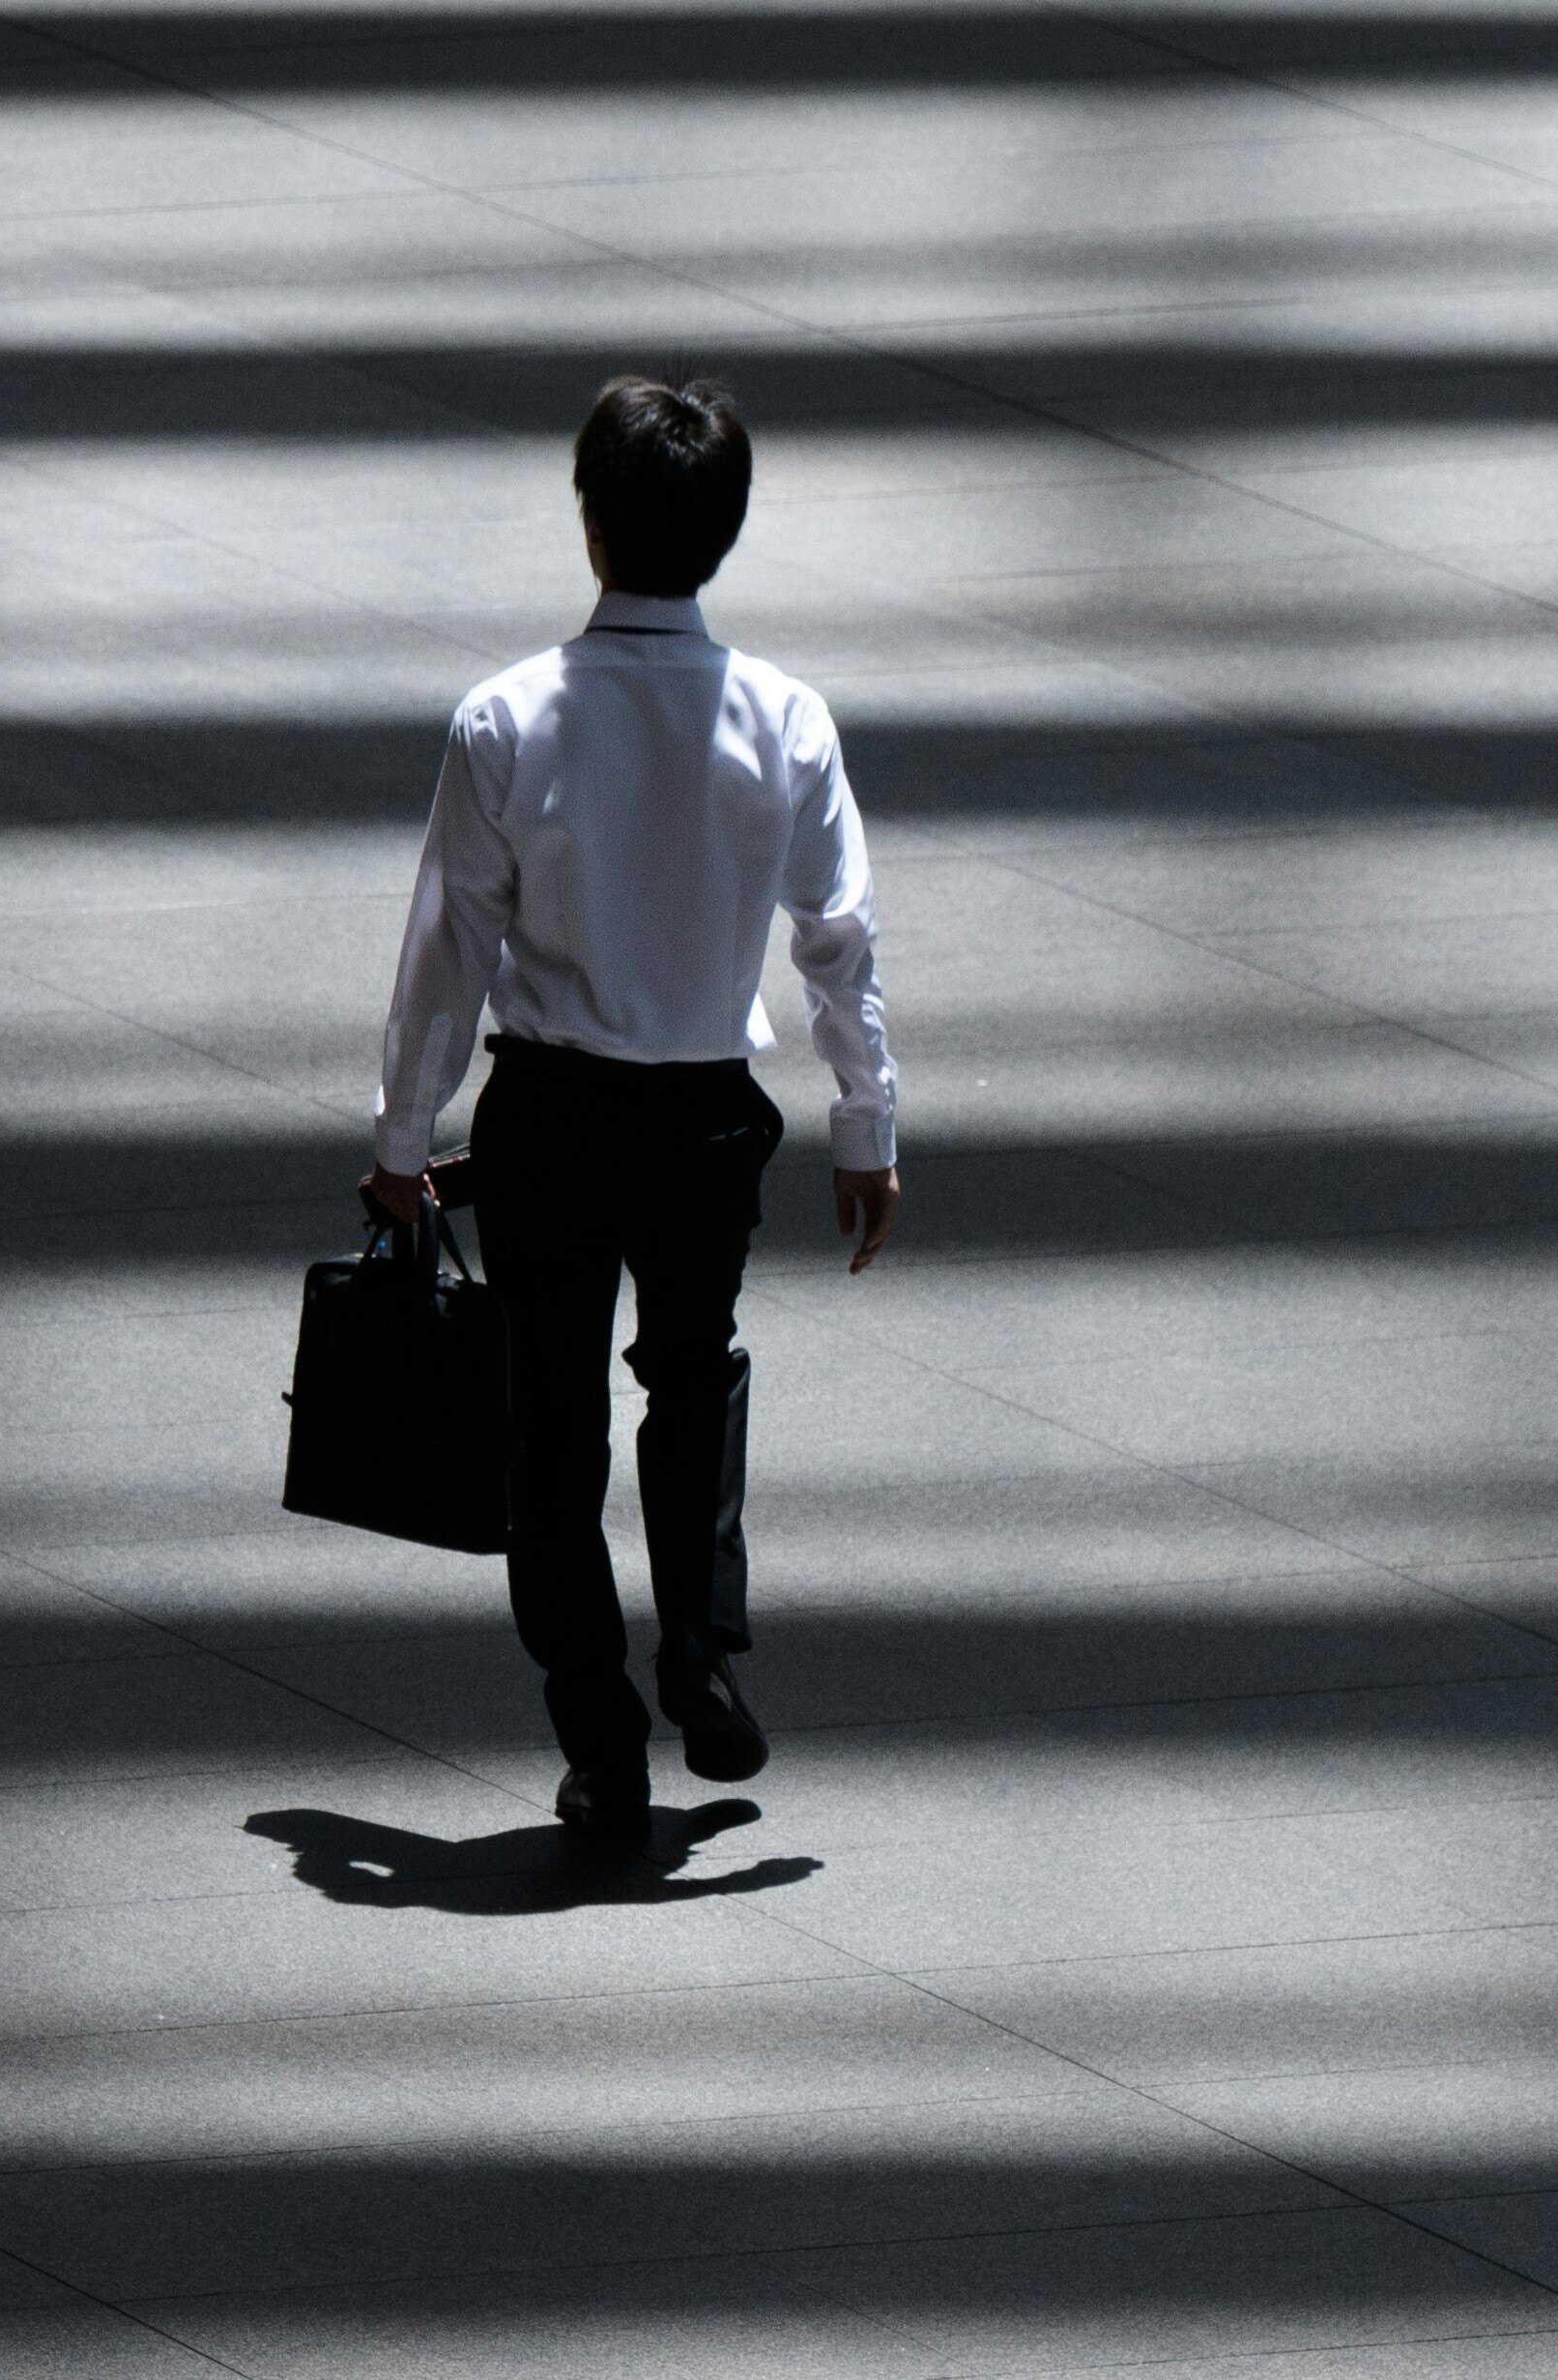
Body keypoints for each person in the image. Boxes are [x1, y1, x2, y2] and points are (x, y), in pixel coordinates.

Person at [362, 373, 902, 1864]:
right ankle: (704, 1650)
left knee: (554, 1422)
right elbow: (837, 936)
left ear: (589, 519)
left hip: (549, 1110)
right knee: (695, 1373)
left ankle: (600, 1737)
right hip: (704, 1121)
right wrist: (867, 1121)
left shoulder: (509, 718)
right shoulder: (786, 718)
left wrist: (405, 1138)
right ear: (724, 533)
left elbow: (446, 948)